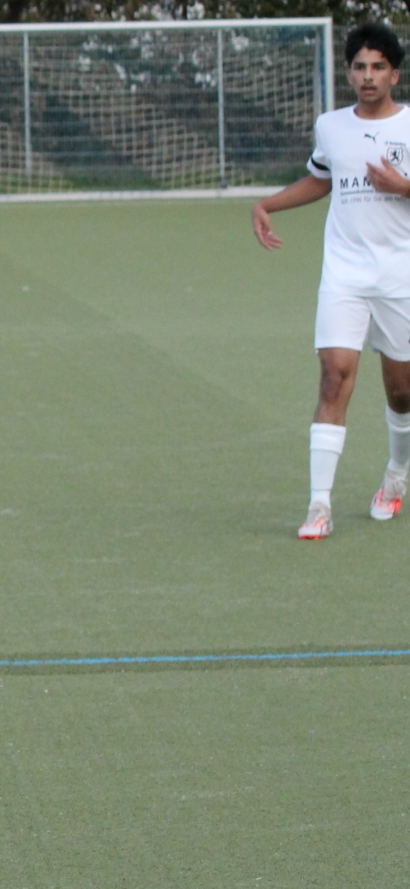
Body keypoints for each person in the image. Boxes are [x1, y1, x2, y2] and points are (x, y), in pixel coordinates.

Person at [255, 21, 410, 539]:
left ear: (394, 74)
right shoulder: (331, 126)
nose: (368, 76)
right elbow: (322, 179)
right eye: (359, 67)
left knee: (402, 393)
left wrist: (402, 187)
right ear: (348, 73)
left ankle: (396, 474)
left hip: (401, 276)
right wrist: (268, 203)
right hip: (344, 273)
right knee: (334, 375)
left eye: (378, 67)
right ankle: (318, 505)